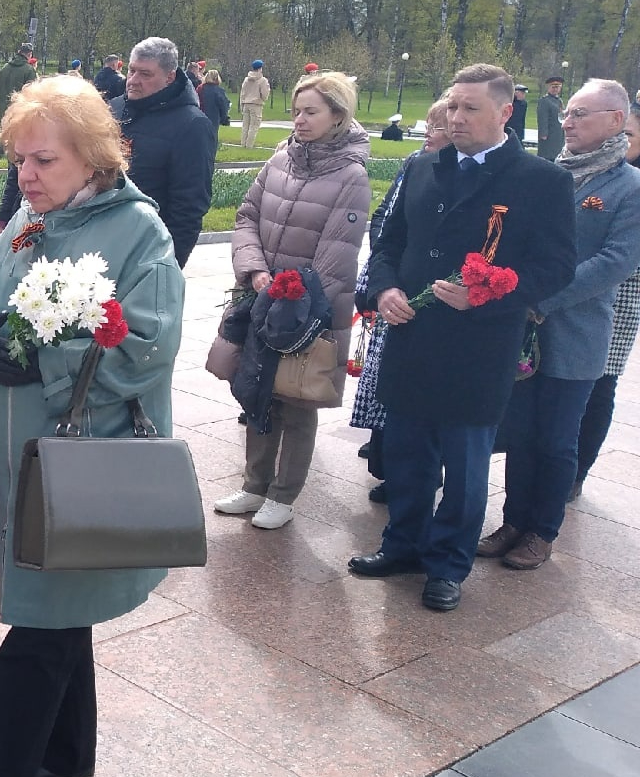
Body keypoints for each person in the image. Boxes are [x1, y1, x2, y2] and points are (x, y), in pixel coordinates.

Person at [0, 74, 184, 777]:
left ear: (93, 157)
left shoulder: (138, 232)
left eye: (43, 159)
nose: (27, 176)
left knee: (39, 628)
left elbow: (147, 346)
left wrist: (37, 359)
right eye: (19, 160)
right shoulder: (28, 218)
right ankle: (67, 754)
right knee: (60, 595)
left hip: (81, 462)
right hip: (26, 457)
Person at [350, 64, 576, 613]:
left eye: (470, 108)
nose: (456, 117)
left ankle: (448, 564)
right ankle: (402, 545)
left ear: (505, 113)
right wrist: (382, 291)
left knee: (466, 467)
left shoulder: (540, 180)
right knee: (407, 457)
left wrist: (493, 293)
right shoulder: (423, 166)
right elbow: (388, 241)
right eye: (452, 106)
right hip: (412, 337)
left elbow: (557, 268)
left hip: (478, 349)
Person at [479, 80, 640, 570]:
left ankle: (542, 531)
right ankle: (513, 521)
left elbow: (615, 261)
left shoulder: (628, 186)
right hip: (526, 328)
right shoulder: (552, 174)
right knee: (521, 430)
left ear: (616, 120)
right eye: (567, 113)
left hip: (576, 332)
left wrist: (540, 295)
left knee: (555, 439)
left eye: (581, 114)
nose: (567, 122)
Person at [213, 71, 372, 530]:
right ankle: (254, 485)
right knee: (257, 394)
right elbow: (246, 216)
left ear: (338, 116)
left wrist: (293, 300)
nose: (299, 121)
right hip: (261, 297)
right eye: (296, 111)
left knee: (297, 402)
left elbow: (337, 255)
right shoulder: (282, 156)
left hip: (308, 313)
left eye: (311, 112)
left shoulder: (351, 175)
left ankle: (283, 495)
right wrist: (256, 271)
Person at [352, 96, 452, 501]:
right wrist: (385, 273)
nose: (429, 133)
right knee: (385, 388)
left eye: (437, 127)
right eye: (428, 125)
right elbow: (385, 220)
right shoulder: (415, 164)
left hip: (433, 301)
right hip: (394, 289)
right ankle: (389, 463)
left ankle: (413, 476)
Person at [102, 36, 218, 267]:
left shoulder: (192, 125)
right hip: (99, 244)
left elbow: (189, 208)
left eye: (145, 74)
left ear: (169, 77)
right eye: (132, 71)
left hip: (146, 251)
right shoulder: (113, 109)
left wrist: (167, 268)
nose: (133, 81)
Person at [572, 103, 640, 498]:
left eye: (628, 136)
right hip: (574, 293)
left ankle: (578, 470)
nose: (620, 143)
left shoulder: (630, 185)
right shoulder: (586, 171)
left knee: (601, 381)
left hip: (620, 293)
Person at [0, 45, 38, 191]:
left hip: (4, 110)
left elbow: (0, 89)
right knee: (18, 142)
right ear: (28, 54)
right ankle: (12, 170)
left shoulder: (4, 69)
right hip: (21, 111)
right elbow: (33, 93)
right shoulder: (29, 70)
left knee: (6, 138)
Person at [240, 60, 271, 148]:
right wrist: (264, 98)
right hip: (256, 104)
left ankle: (243, 144)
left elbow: (243, 92)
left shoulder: (246, 79)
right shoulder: (262, 80)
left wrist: (242, 103)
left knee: (245, 125)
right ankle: (249, 145)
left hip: (246, 103)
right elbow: (265, 94)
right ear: (260, 68)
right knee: (254, 126)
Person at [537, 75, 565, 161]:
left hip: (558, 134)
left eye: (557, 87)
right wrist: (543, 134)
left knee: (557, 156)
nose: (555, 89)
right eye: (553, 87)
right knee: (547, 156)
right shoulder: (544, 101)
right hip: (549, 135)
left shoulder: (559, 101)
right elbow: (542, 118)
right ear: (548, 87)